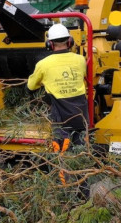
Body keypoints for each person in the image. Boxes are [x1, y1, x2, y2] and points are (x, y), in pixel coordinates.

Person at [27, 23, 88, 151]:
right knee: (80, 150)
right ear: (70, 41)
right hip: (80, 116)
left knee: (62, 150)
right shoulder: (81, 60)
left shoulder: (43, 64)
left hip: (61, 119)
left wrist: (45, 81)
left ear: (49, 44)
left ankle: (64, 170)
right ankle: (81, 168)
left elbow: (31, 87)